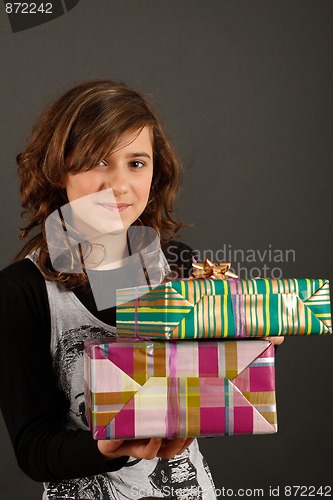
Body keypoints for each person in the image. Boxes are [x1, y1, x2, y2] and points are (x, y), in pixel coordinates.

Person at [0, 80, 217, 499]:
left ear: (156, 173)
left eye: (136, 163)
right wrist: (108, 447)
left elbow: (216, 379)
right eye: (99, 160)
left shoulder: (179, 266)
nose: (118, 185)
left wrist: (255, 329)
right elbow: (33, 447)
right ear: (59, 169)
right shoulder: (20, 293)